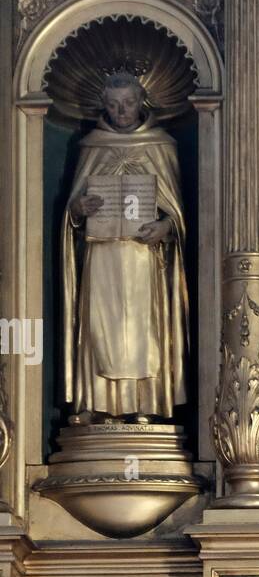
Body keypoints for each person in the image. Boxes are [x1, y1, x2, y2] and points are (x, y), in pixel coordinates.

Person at [62, 72, 189, 424]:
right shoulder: (92, 146)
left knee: (140, 330)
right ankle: (95, 404)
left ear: (141, 102)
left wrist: (165, 226)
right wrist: (78, 209)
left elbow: (177, 210)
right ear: (104, 104)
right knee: (99, 328)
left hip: (142, 256)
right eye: (114, 105)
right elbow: (71, 210)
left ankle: (143, 406)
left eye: (129, 103)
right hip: (101, 255)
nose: (122, 111)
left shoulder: (161, 145)